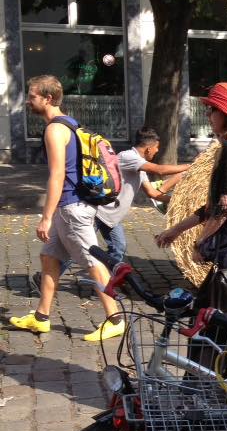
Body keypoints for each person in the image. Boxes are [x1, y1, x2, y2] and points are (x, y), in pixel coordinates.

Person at [9, 75, 124, 341]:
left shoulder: (54, 129)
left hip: (71, 209)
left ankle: (115, 319)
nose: (28, 100)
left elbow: (57, 175)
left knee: (93, 262)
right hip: (71, 207)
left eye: (32, 96)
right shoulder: (70, 124)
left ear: (47, 98)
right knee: (49, 258)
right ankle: (41, 318)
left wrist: (46, 217)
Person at [155, 82, 227, 313]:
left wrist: (201, 243)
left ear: (226, 114)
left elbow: (226, 207)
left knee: (218, 320)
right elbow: (212, 208)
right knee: (221, 320)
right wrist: (175, 230)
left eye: (212, 109)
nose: (207, 114)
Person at [35, 127, 191, 283]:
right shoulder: (128, 157)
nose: (156, 152)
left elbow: (153, 193)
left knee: (113, 248)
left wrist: (176, 199)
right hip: (100, 212)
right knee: (80, 250)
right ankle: (99, 283)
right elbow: (160, 170)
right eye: (157, 149)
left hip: (111, 216)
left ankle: (106, 283)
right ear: (149, 148)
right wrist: (191, 166)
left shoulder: (139, 165)